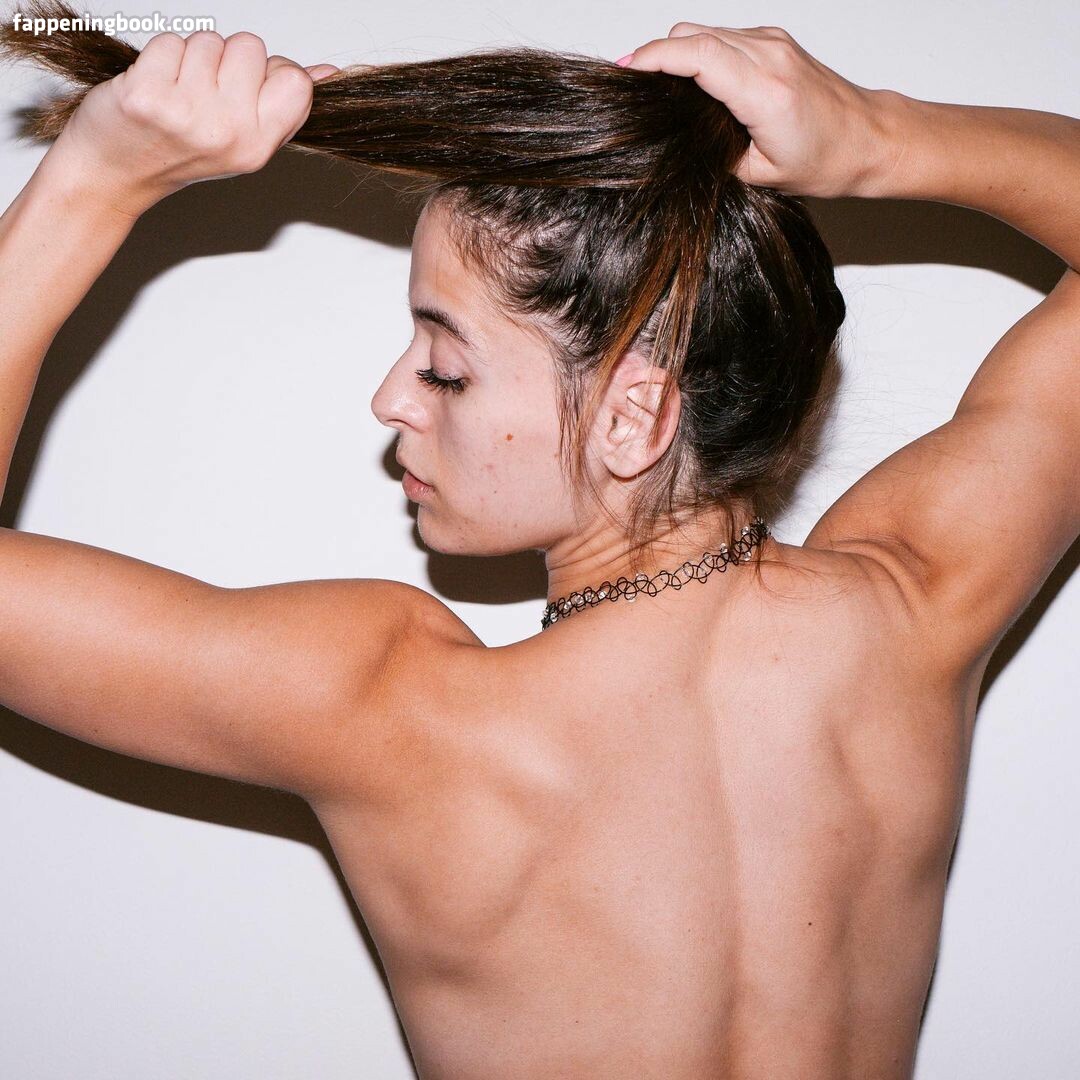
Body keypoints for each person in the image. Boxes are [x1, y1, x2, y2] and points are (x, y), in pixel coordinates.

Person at [0, 6, 1077, 1078]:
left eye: (446, 367)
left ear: (632, 417)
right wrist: (877, 135)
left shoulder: (395, 713)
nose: (391, 399)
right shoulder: (915, 604)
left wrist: (94, 182)